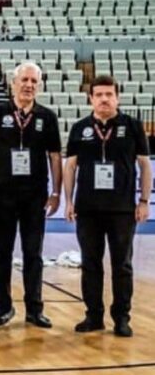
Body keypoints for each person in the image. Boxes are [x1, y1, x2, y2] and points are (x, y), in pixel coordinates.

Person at [0, 62, 61, 328]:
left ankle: (35, 309)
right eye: (24, 80)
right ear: (13, 83)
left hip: (35, 197)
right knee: (2, 254)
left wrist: (56, 192)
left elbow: (55, 157)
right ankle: (2, 307)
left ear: (39, 85)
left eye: (34, 81)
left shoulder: (47, 117)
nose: (29, 85)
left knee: (33, 254)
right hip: (2, 196)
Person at [64, 75, 151, 337]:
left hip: (122, 209)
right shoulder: (79, 128)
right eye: (99, 94)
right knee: (90, 264)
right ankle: (93, 316)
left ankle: (122, 318)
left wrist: (144, 201)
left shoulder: (133, 126)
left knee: (122, 265)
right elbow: (70, 166)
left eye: (109, 94)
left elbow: (144, 165)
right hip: (87, 209)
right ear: (90, 98)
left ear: (117, 97)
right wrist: (68, 200)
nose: (104, 99)